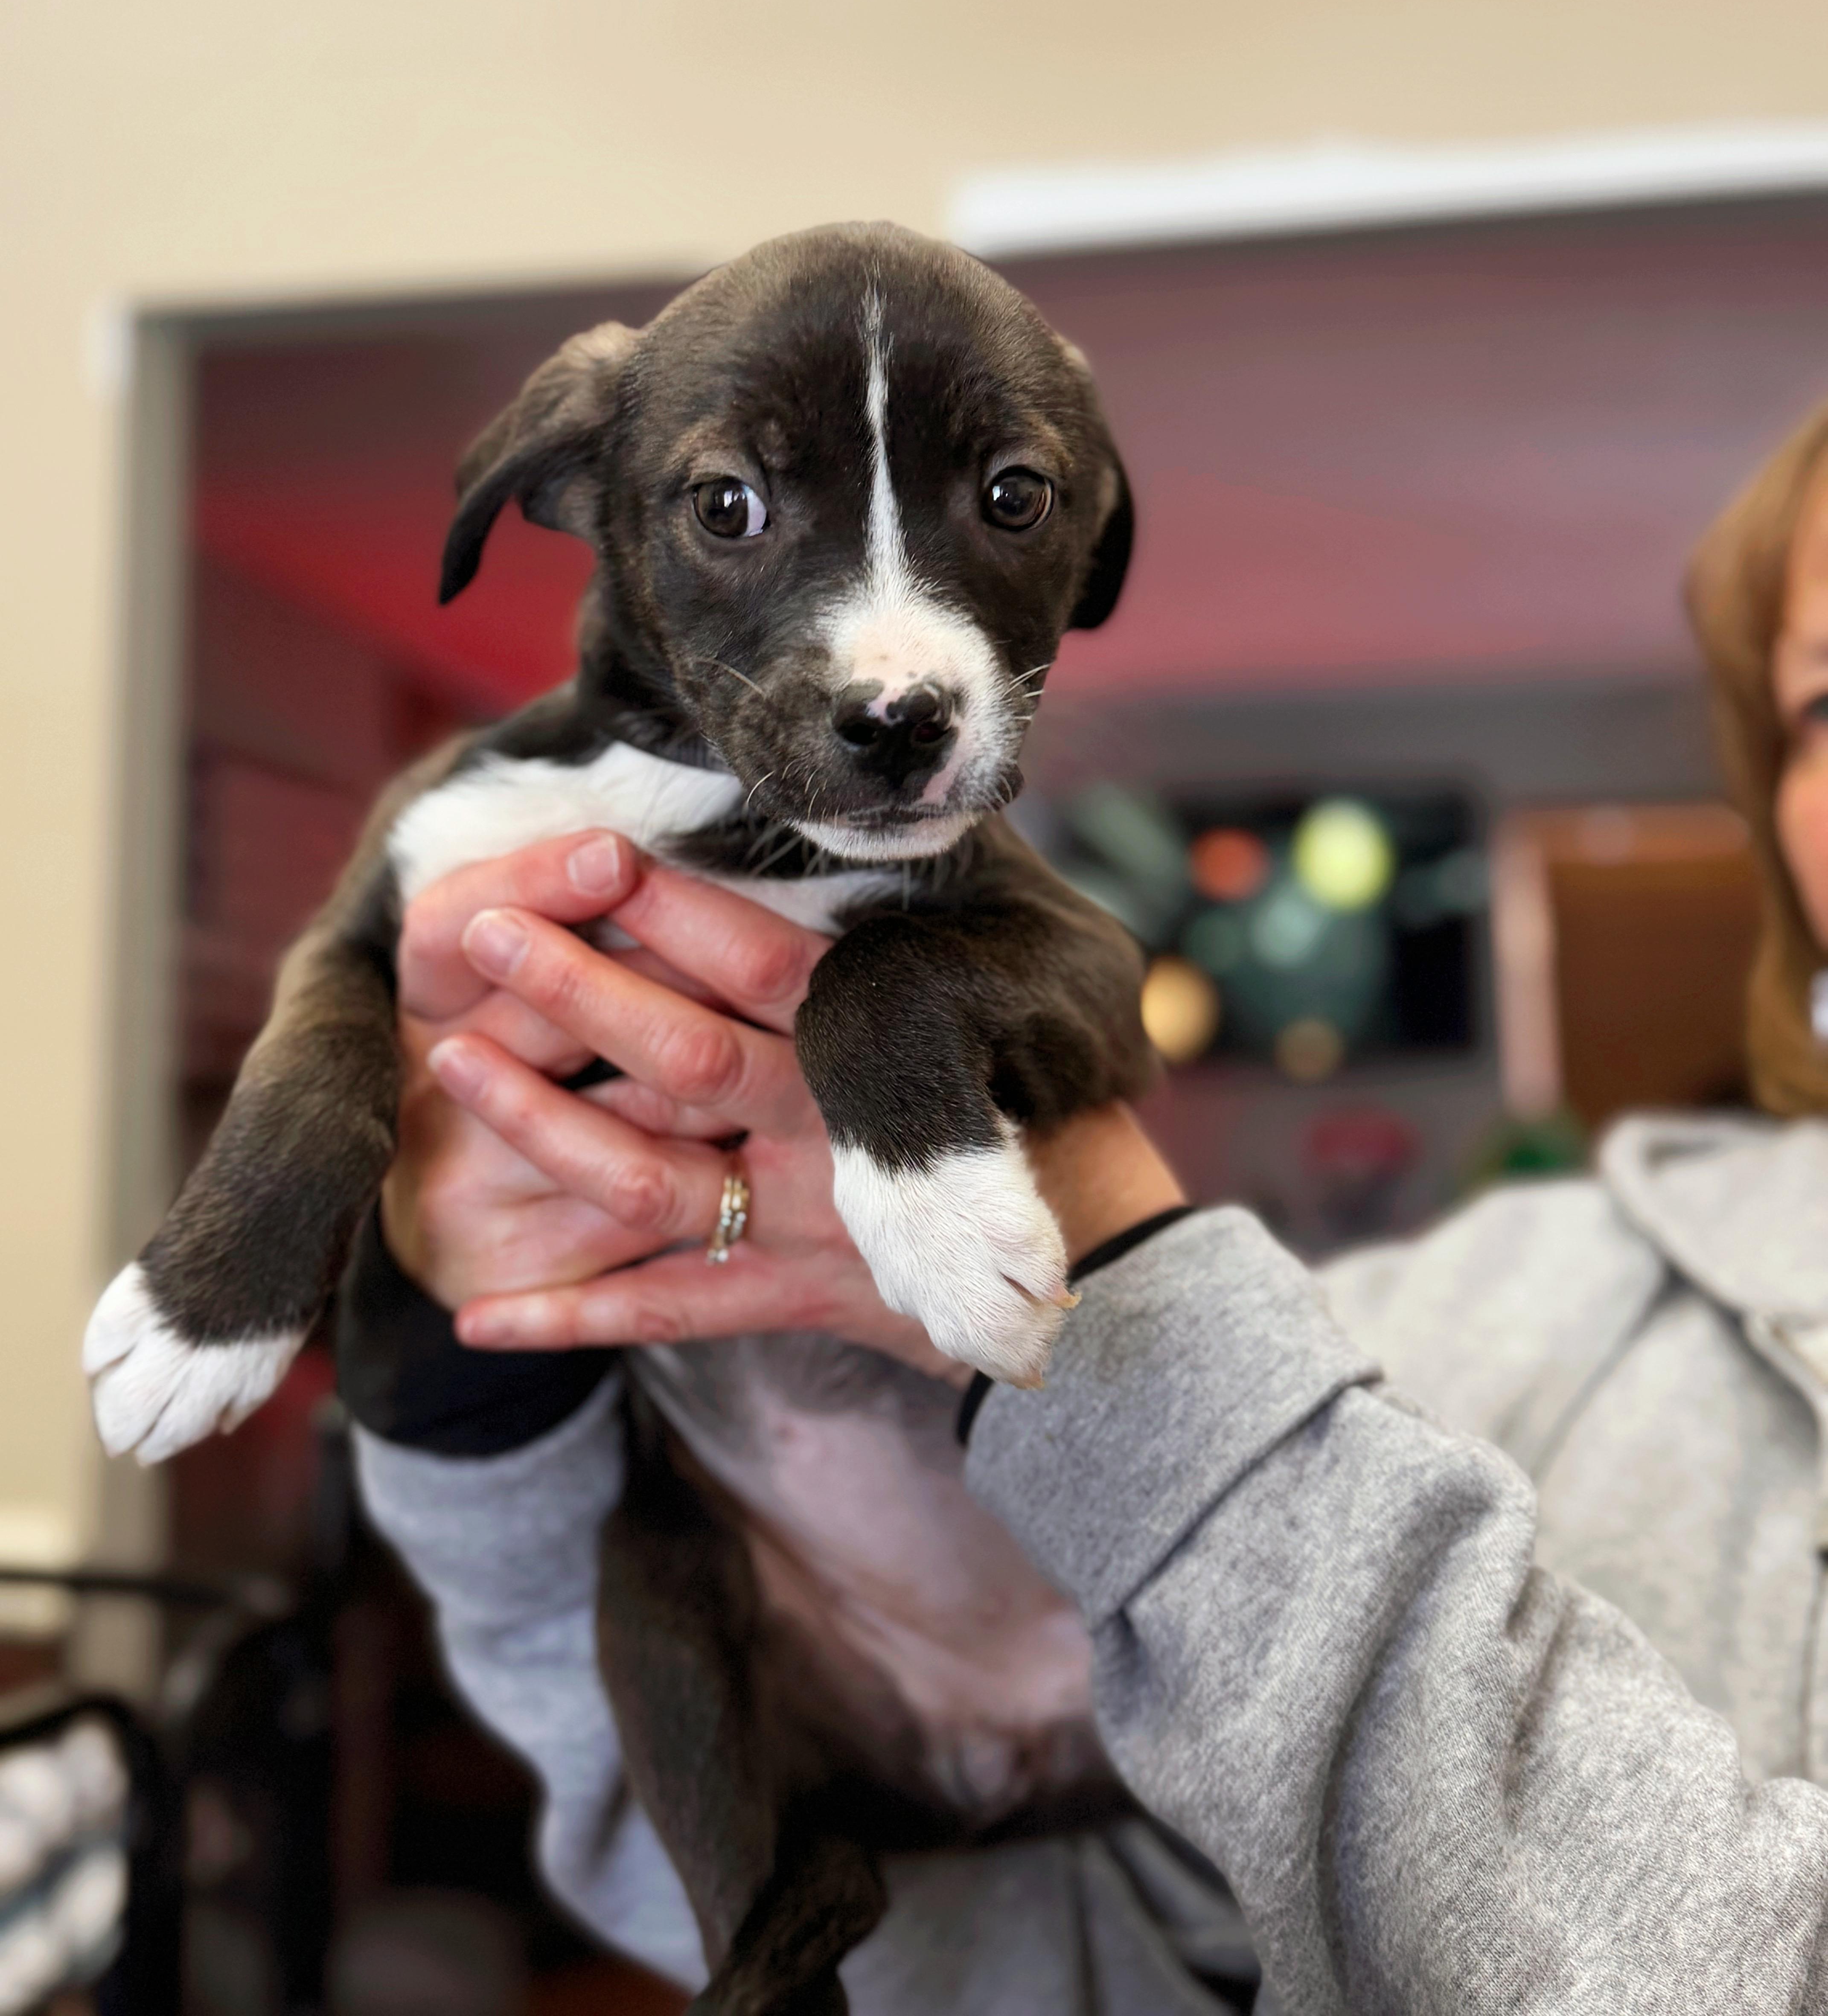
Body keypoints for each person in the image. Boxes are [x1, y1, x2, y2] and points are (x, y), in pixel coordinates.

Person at [339, 398, 1828, 2013]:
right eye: (1825, 702)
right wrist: (472, 1362)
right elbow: (1054, 1941)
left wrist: (1117, 1250)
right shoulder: (1493, 1305)